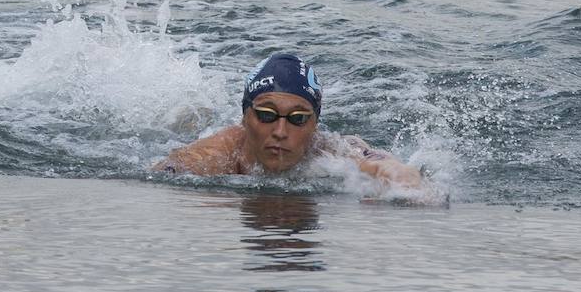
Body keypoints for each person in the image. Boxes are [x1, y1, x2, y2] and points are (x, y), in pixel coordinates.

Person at [154, 52, 423, 188]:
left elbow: (377, 162)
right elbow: (169, 173)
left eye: (297, 119)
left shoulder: (328, 149)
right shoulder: (220, 153)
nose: (280, 131)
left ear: (314, 124)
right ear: (245, 117)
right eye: (266, 115)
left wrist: (402, 177)